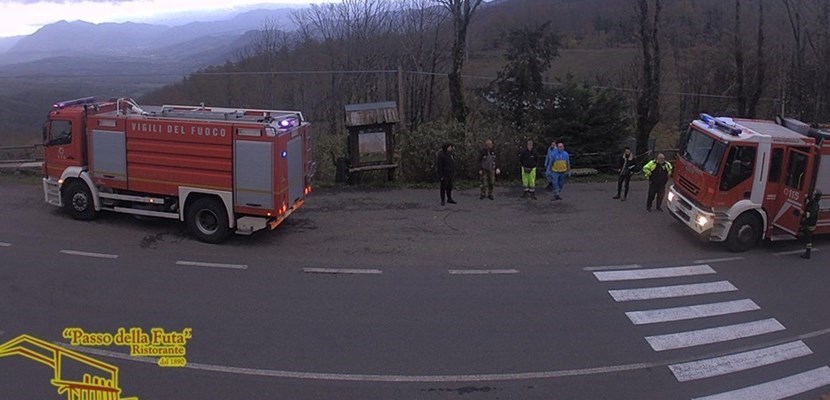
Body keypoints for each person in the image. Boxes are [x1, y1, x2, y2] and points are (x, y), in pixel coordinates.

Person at [800, 189, 822, 259]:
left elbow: (811, 214)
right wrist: (806, 198)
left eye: (814, 194)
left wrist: (803, 213)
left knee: (808, 239)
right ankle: (807, 252)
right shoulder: (814, 202)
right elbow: (808, 203)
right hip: (811, 223)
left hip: (810, 224)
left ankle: (808, 253)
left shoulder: (814, 204)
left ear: (815, 195)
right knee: (808, 238)